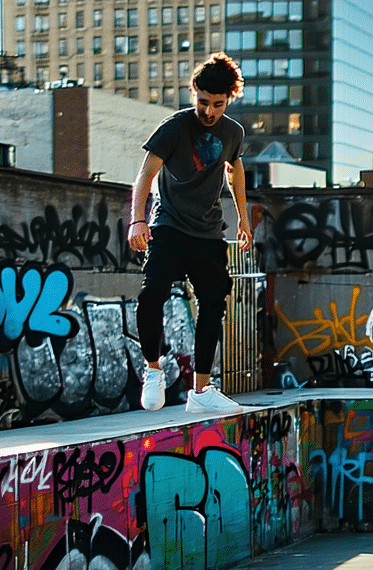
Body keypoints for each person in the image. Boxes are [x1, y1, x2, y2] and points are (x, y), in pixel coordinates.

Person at [128, 52, 251, 416]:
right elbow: (145, 175)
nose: (209, 112)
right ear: (192, 91)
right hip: (168, 226)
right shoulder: (175, 128)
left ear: (228, 99)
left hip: (209, 233)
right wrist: (138, 220)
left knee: (214, 304)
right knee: (152, 295)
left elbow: (236, 172)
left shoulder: (233, 132)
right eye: (203, 102)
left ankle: (200, 391)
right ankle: (153, 371)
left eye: (217, 104)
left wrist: (243, 217)